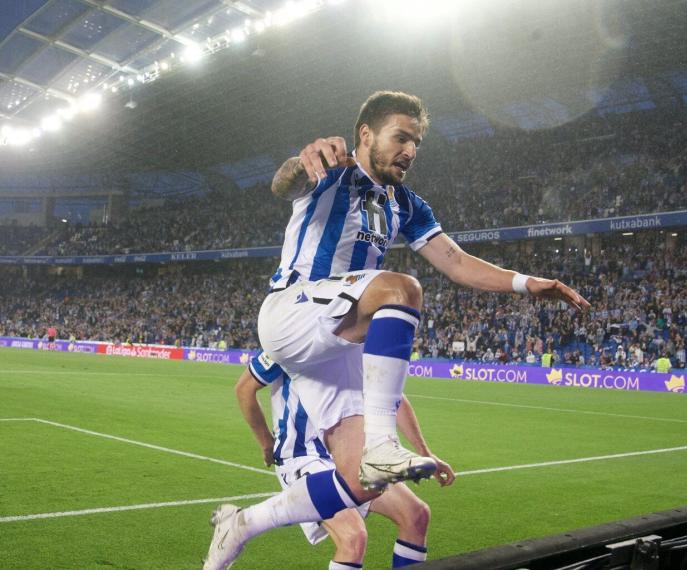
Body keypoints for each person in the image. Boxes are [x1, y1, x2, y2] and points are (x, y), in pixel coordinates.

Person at [204, 91, 589, 569]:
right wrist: (299, 163)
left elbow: (456, 262)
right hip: (292, 312)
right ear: (366, 135)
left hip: (338, 338)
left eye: (417, 142)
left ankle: (241, 524)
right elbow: (285, 184)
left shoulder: (406, 204)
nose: (410, 150)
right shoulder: (332, 172)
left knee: (363, 483)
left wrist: (526, 284)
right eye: (401, 137)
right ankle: (383, 444)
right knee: (401, 287)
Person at [227, 351, 454, 569]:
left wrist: (425, 452)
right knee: (353, 538)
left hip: (349, 452)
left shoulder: (361, 341)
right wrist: (266, 442)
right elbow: (245, 388)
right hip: (302, 456)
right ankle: (236, 525)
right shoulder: (295, 335)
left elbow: (391, 396)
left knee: (416, 515)